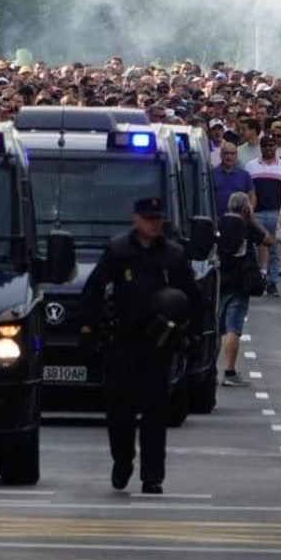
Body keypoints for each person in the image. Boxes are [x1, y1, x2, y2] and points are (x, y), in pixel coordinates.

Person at [78, 197, 200, 494]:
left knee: (155, 411)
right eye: (148, 218)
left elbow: (193, 298)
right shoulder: (119, 250)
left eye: (157, 218)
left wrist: (192, 335)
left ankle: (153, 475)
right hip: (122, 342)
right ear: (136, 220)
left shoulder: (173, 255)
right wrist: (87, 330)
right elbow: (93, 289)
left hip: (157, 344)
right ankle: (123, 460)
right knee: (119, 411)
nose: (153, 223)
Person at [217, 192, 270, 387]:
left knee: (217, 326)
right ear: (247, 209)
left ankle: (210, 369)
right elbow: (268, 240)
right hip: (240, 282)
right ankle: (229, 371)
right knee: (233, 327)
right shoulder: (246, 225)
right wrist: (253, 221)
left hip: (220, 279)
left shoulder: (219, 223)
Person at [245, 134, 281, 295]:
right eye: (266, 145)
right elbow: (248, 190)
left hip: (275, 212)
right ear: (261, 147)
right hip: (256, 213)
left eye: (272, 145)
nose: (269, 148)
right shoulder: (251, 166)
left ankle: (272, 283)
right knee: (254, 248)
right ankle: (256, 281)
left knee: (274, 248)